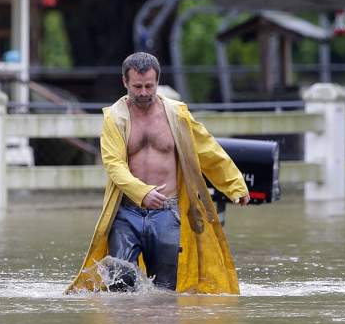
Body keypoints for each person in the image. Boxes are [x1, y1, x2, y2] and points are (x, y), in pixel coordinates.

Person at [66, 52, 249, 294]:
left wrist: (235, 186)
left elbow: (207, 149)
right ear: (125, 82)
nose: (143, 92)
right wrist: (143, 192)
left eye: (149, 86)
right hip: (126, 213)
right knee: (119, 282)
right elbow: (114, 165)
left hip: (167, 211)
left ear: (157, 81)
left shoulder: (177, 115)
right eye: (137, 86)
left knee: (166, 289)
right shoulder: (115, 117)